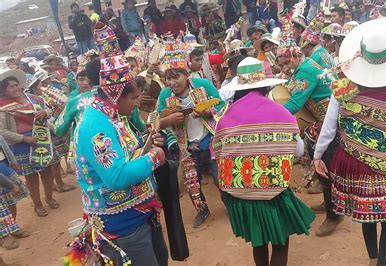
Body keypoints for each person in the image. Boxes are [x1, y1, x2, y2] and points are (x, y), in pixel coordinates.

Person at [313, 19, 386, 266]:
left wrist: (318, 155)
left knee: (367, 216)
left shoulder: (343, 89)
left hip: (355, 164)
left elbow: (329, 127)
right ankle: (382, 263)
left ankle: (373, 259)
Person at [73, 21, 168, 265]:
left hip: (140, 215)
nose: (137, 104)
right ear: (117, 96)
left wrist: (145, 145)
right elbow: (117, 176)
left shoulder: (114, 116)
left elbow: (127, 152)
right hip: (123, 227)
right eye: (134, 98)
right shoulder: (96, 126)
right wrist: (155, 156)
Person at [215, 57, 315, 266]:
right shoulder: (281, 113)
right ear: (267, 86)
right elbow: (298, 151)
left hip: (241, 192)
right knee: (280, 242)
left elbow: (217, 153)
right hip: (274, 191)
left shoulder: (225, 118)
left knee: (258, 243)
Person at [276, 16, 342, 237]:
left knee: (325, 163)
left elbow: (295, 103)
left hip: (328, 122)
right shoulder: (303, 66)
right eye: (281, 64)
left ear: (296, 56)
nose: (285, 68)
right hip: (321, 121)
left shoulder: (304, 70)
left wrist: (271, 114)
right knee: (321, 161)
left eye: (287, 63)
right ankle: (329, 202)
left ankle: (334, 215)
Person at [157, 37, 225, 228]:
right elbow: (154, 121)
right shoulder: (164, 95)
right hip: (186, 146)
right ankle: (202, 210)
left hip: (210, 139)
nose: (172, 82)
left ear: (186, 74)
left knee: (220, 177)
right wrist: (168, 121)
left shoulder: (203, 85)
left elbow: (222, 105)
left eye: (176, 76)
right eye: (168, 78)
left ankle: (231, 205)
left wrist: (207, 112)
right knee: (192, 182)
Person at [0, 69, 59, 217]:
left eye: (16, 85)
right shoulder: (3, 108)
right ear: (4, 91)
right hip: (22, 144)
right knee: (31, 177)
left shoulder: (34, 99)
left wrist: (45, 113)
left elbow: (49, 110)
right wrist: (24, 139)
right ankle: (38, 205)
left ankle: (49, 197)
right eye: (11, 87)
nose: (15, 89)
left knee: (47, 170)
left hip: (42, 138)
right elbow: (3, 131)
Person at [0, 135, 30, 248]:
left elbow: (2, 141)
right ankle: (3, 236)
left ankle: (12, 226)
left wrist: (12, 160)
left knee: (11, 201)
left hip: (3, 165)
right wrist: (11, 186)